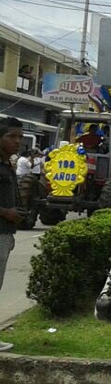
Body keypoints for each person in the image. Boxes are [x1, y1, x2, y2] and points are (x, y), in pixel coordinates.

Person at [0, 119, 26, 352]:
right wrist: (6, 212)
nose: (17, 141)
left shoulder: (8, 165)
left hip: (5, 233)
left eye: (20, 137)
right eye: (12, 136)